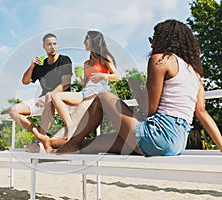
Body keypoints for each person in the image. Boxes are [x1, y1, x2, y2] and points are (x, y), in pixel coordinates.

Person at [33, 19, 222, 155]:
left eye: (153, 38)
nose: (152, 43)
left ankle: (71, 143)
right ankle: (51, 143)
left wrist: (134, 85)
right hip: (178, 143)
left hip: (157, 136)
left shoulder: (161, 60)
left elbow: (149, 110)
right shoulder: (194, 72)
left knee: (102, 97)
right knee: (97, 142)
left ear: (165, 40)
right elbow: (202, 112)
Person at [49, 30, 120, 145]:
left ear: (93, 41)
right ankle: (68, 130)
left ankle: (46, 144)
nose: (84, 42)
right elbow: (84, 85)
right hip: (85, 92)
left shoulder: (104, 58)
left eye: (86, 39)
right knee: (56, 96)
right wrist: (80, 78)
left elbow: (117, 76)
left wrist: (102, 75)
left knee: (75, 119)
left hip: (96, 95)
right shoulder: (86, 63)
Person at [8, 33, 72, 152]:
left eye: (54, 44)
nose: (52, 47)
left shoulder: (64, 60)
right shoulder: (41, 64)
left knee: (49, 97)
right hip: (44, 100)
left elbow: (66, 83)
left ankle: (38, 143)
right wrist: (32, 66)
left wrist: (49, 95)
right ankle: (40, 136)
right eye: (49, 44)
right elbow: (25, 81)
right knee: (13, 111)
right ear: (44, 46)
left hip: (61, 100)